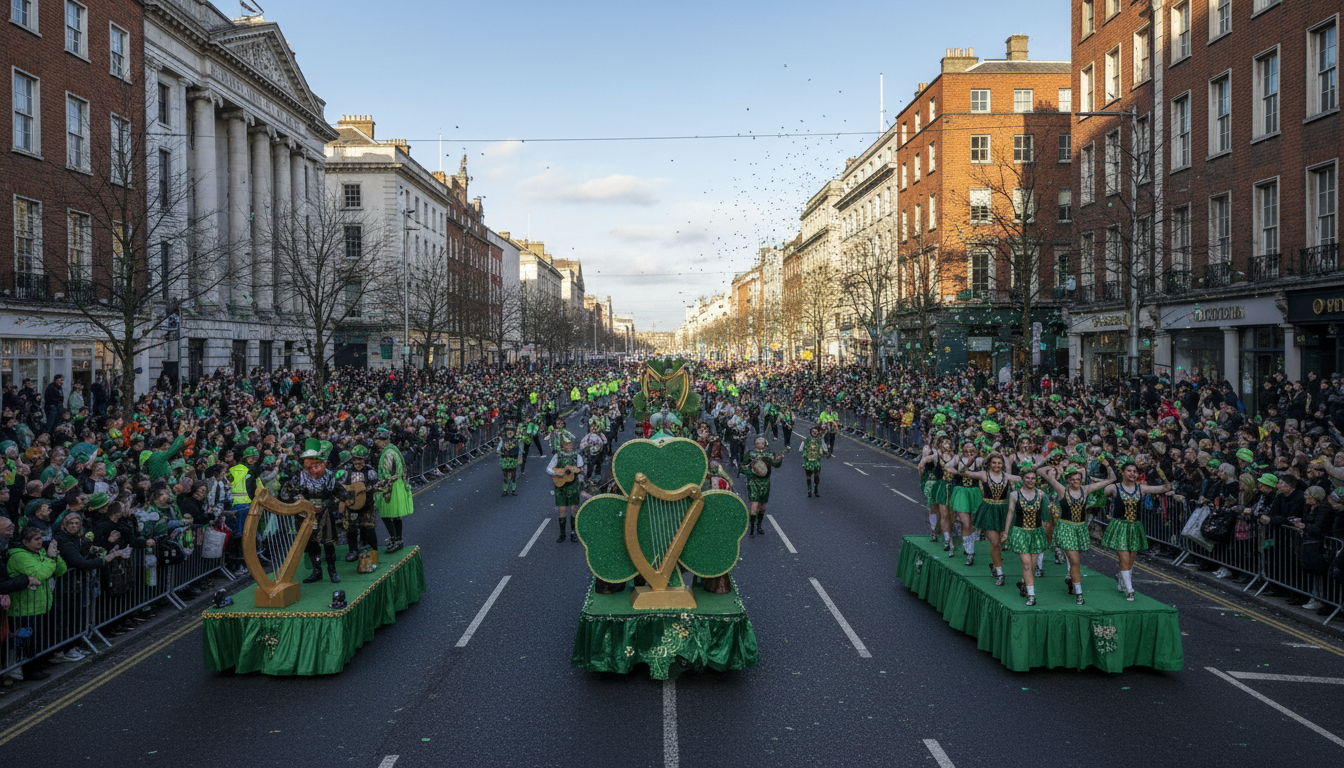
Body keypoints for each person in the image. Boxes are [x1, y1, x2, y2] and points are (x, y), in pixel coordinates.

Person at [1041, 461, 1115, 604]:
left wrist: (1107, 464)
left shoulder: (1085, 489)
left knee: (1075, 560)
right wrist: (1056, 466)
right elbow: (1041, 472)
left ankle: (1071, 579)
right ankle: (1079, 593)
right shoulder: (1062, 489)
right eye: (1073, 479)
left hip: (1080, 528)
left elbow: (1111, 479)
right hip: (1066, 528)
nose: (1076, 482)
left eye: (1078, 479)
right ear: (1067, 480)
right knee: (1075, 561)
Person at [1102, 458, 1172, 601]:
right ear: (1123, 472)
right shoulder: (1114, 488)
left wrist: (1164, 476)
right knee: (1124, 557)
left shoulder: (1141, 488)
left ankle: (1122, 579)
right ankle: (1130, 589)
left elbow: (1165, 488)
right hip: (1119, 526)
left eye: (1135, 471)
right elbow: (1100, 493)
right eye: (1129, 471)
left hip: (1134, 526)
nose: (1132, 473)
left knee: (1132, 557)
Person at [280, 444, 350, 585]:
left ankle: (332, 571)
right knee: (312, 544)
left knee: (328, 544)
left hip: (325, 513)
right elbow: (287, 492)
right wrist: (299, 498)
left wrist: (338, 501)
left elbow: (341, 492)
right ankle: (316, 571)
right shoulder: (299, 476)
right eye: (308, 461)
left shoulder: (329, 475)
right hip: (306, 515)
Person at [6, 526, 68, 680]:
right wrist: (49, 559)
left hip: (41, 605)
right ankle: (28, 671)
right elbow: (40, 574)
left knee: (39, 640)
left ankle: (37, 667)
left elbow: (61, 570)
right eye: (36, 539)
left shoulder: (41, 553)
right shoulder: (19, 556)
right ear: (25, 542)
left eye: (41, 538)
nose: (40, 542)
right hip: (24, 608)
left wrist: (54, 556)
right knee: (27, 642)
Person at [959, 453, 1021, 575]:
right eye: (994, 462)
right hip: (988, 511)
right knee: (994, 542)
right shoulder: (984, 474)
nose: (996, 465)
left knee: (999, 542)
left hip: (1002, 511)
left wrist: (1024, 466)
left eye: (999, 463)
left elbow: (1026, 477)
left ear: (1002, 464)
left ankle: (995, 563)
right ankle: (999, 572)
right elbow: (963, 472)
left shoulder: (1007, 476)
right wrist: (971, 460)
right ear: (989, 463)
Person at [1004, 469, 1050, 605]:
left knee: (1032, 565)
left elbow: (1047, 515)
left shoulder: (1041, 494)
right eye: (1028, 478)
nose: (1031, 481)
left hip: (1036, 533)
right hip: (1021, 532)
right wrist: (1006, 532)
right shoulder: (1014, 495)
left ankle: (1024, 583)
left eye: (1033, 478)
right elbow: (1010, 512)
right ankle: (1032, 595)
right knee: (1027, 565)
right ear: (1022, 479)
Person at [737, 436, 788, 537]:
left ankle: (759, 525)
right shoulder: (751, 454)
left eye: (762, 441)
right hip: (753, 481)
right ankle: (751, 528)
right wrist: (750, 471)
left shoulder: (769, 454)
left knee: (763, 507)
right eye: (758, 441)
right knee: (754, 505)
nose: (760, 443)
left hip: (765, 482)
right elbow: (743, 466)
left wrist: (780, 458)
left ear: (765, 443)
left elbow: (776, 464)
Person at [374, 428, 413, 553]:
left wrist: (381, 485)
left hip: (390, 488)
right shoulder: (393, 451)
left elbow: (386, 472)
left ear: (383, 441)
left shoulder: (388, 453)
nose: (376, 443)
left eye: (377, 440)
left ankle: (394, 539)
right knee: (396, 516)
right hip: (398, 485)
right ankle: (398, 539)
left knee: (386, 514)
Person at [342, 446, 381, 561]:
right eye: (356, 461)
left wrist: (369, 489)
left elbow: (376, 485)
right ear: (352, 460)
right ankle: (353, 550)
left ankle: (373, 549)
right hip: (352, 505)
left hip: (367, 505)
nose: (358, 464)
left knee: (368, 527)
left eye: (361, 461)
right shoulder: (347, 471)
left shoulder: (370, 471)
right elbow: (342, 486)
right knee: (351, 528)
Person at [546, 437, 584, 542]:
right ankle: (562, 534)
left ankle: (573, 533)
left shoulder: (577, 456)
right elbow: (548, 469)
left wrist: (577, 471)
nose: (569, 446)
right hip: (561, 486)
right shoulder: (557, 456)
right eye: (566, 444)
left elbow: (581, 468)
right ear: (563, 446)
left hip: (573, 486)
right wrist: (558, 473)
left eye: (570, 444)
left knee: (573, 509)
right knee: (562, 510)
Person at [496, 423, 524, 497]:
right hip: (505, 460)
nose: (509, 432)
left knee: (513, 475)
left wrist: (519, 457)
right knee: (505, 476)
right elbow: (498, 449)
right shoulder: (503, 441)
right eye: (508, 430)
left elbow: (520, 450)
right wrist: (501, 453)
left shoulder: (516, 440)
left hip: (513, 460)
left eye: (511, 430)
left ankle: (513, 490)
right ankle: (505, 490)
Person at [801, 425, 825, 498]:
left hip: (816, 461)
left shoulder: (820, 440)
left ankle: (816, 489)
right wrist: (805, 456)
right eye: (813, 431)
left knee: (816, 476)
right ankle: (809, 490)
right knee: (808, 477)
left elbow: (823, 447)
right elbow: (804, 448)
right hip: (808, 461)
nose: (814, 432)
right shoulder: (808, 439)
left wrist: (823, 451)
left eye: (816, 431)